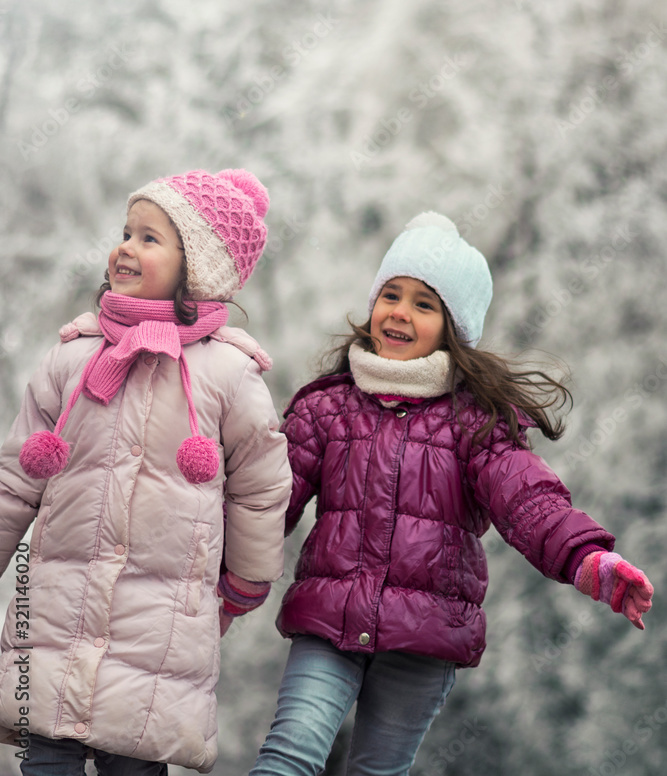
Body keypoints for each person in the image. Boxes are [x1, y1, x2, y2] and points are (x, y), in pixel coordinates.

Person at [249, 212, 654, 776]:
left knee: (376, 771)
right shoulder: (328, 408)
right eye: (392, 294)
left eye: (424, 303)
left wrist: (588, 560)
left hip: (423, 635)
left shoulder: (473, 422)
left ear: (451, 327)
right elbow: (267, 500)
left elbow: (529, 501)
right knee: (288, 755)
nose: (400, 312)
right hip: (328, 622)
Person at [0, 168, 292, 775]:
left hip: (158, 638)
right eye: (125, 232)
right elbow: (16, 475)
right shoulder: (73, 357)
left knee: (133, 764)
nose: (126, 247)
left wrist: (247, 576)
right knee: (44, 761)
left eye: (150, 238)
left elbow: (261, 485)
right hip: (58, 620)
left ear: (199, 269)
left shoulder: (226, 375)